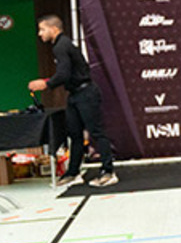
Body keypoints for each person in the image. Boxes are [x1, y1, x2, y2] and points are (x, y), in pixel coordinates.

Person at [28, 15, 118, 188]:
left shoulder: (61, 46)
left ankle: (108, 172)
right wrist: (48, 81)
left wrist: (46, 84)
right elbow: (67, 72)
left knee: (96, 132)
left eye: (42, 29)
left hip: (86, 93)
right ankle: (73, 172)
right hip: (74, 94)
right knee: (74, 134)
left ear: (54, 29)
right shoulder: (61, 46)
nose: (40, 34)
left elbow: (63, 74)